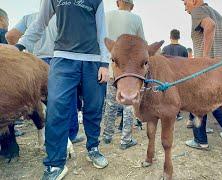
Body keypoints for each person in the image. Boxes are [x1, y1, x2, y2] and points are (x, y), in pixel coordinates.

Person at [12, 0, 110, 178]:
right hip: (62, 58)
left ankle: (93, 148)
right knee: (57, 108)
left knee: (94, 107)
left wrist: (105, 63)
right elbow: (40, 22)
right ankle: (55, 164)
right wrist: (21, 45)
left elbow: (102, 30)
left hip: (93, 59)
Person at [6, 13, 85, 144]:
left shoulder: (29, 18)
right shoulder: (64, 16)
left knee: (42, 102)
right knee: (68, 98)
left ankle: (48, 135)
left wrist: (24, 53)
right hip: (60, 60)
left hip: (35, 63)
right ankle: (70, 135)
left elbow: (10, 35)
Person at [183, 0, 222, 149]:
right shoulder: (218, 14)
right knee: (215, 102)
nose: (185, 8)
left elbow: (209, 25)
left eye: (186, 3)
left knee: (196, 102)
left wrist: (204, 59)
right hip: (220, 67)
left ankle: (200, 141)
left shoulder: (198, 11)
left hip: (205, 68)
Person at [103, 0, 144, 150]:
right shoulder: (136, 19)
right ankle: (125, 139)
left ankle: (107, 135)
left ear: (117, 2)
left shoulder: (106, 16)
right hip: (129, 72)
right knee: (129, 105)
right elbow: (142, 44)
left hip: (111, 67)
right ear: (132, 6)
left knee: (110, 103)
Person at [161, 29, 188, 121]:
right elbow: (187, 64)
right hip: (180, 75)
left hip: (168, 75)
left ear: (170, 37)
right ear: (179, 37)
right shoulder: (184, 49)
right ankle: (178, 112)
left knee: (167, 93)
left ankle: (168, 111)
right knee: (179, 94)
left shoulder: (164, 49)